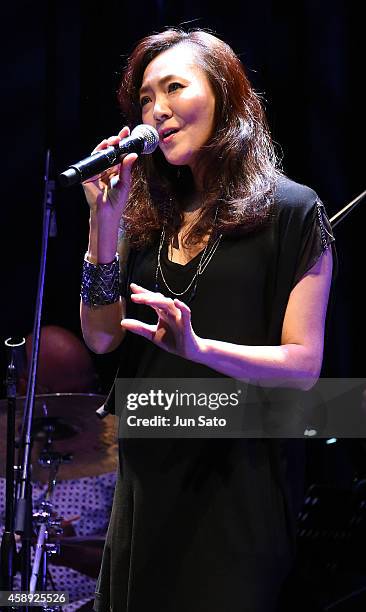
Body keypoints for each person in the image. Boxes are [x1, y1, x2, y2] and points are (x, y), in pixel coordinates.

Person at [79, 27, 336, 612]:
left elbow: (303, 367)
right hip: (147, 489)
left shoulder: (292, 210)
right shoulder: (142, 213)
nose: (156, 111)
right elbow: (99, 337)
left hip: (234, 489)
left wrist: (198, 349)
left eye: (174, 88)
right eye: (145, 97)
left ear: (224, 95)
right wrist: (103, 225)